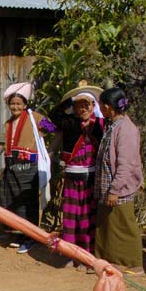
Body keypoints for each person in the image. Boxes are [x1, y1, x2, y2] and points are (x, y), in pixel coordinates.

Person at [49, 82, 105, 267]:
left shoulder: (100, 125)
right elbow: (53, 115)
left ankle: (87, 256)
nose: (83, 109)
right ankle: (70, 254)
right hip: (73, 176)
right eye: (78, 105)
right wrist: (70, 100)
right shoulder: (69, 123)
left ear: (93, 106)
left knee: (88, 216)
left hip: (91, 177)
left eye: (86, 105)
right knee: (72, 216)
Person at [94, 87, 144, 275]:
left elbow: (126, 163)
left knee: (123, 225)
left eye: (101, 106)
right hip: (107, 185)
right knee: (108, 224)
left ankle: (133, 263)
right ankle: (109, 261)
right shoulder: (113, 125)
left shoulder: (126, 129)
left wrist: (115, 189)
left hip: (118, 187)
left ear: (107, 107)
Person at [0, 82, 53, 254]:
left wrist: (49, 151)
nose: (15, 107)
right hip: (12, 167)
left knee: (28, 201)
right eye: (12, 104)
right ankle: (18, 234)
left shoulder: (34, 118)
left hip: (28, 168)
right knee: (13, 200)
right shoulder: (8, 124)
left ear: (25, 105)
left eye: (18, 104)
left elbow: (52, 128)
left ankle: (31, 237)